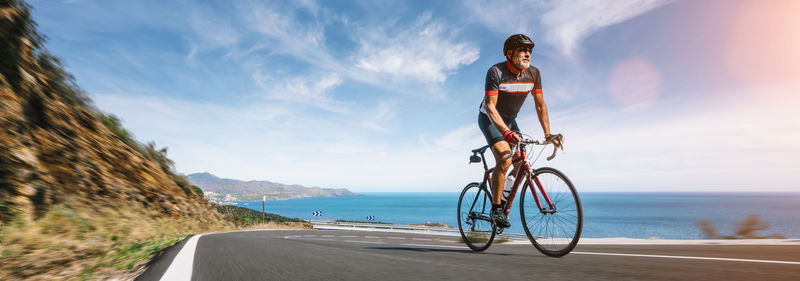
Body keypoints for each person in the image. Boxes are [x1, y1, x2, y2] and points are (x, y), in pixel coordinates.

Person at [478, 33, 562, 228]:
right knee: (505, 157)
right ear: (509, 53)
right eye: (523, 50)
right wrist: (506, 134)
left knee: (520, 163)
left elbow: (540, 106)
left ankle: (504, 191)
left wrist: (548, 134)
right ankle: (496, 208)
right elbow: (490, 107)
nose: (528, 54)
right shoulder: (496, 72)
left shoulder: (534, 74)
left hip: (510, 119)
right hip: (489, 117)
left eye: (530, 51)